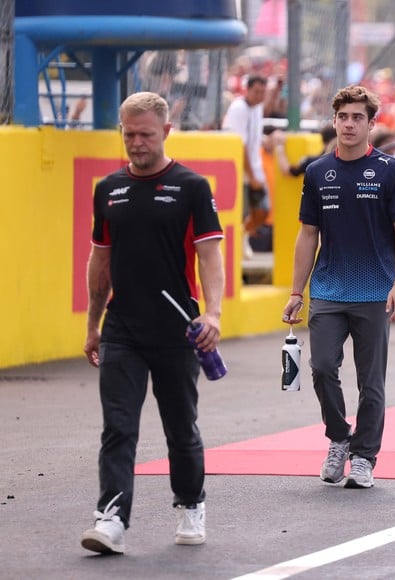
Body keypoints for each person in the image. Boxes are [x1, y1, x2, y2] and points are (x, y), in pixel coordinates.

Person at [80, 92, 226, 554]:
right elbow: (99, 261)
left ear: (166, 131)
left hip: (177, 329)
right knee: (118, 427)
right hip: (122, 328)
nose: (136, 143)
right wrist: (93, 324)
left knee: (180, 426)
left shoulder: (192, 186)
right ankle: (111, 519)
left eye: (145, 134)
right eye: (129, 134)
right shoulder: (108, 189)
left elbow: (209, 255)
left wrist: (214, 313)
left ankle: (190, 503)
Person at [282, 85, 395, 489]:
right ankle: (339, 438)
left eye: (358, 117)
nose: (350, 124)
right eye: (343, 117)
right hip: (327, 290)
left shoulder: (390, 169)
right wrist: (295, 292)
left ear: (372, 124)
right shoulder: (318, 171)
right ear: (334, 121)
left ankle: (364, 457)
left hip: (376, 292)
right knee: (322, 368)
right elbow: (307, 235)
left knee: (371, 381)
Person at [222, 75, 269, 259]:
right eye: (256, 91)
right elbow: (239, 146)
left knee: (262, 211)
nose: (259, 96)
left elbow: (253, 139)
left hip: (254, 169)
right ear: (247, 90)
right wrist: (252, 176)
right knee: (243, 212)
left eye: (262, 92)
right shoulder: (239, 108)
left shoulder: (257, 108)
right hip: (241, 172)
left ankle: (242, 237)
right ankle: (235, 247)